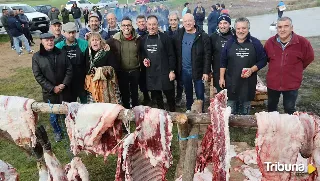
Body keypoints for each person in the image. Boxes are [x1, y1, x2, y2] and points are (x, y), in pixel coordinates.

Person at [264, 17, 314, 114]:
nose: (282, 29)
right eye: (279, 27)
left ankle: (290, 128)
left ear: (291, 28)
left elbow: (309, 58)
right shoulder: (270, 42)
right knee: (271, 108)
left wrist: (297, 69)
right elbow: (266, 58)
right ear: (277, 29)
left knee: (289, 108)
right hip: (273, 82)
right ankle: (273, 128)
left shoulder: (302, 42)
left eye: (286, 26)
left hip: (292, 83)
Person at [219, 17, 267, 115]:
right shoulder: (229, 43)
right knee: (231, 106)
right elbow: (223, 61)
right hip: (232, 81)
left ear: (248, 29)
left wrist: (252, 69)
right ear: (235, 29)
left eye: (244, 28)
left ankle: (244, 124)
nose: (241, 31)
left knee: (245, 105)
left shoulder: (255, 43)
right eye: (238, 28)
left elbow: (263, 60)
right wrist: (221, 78)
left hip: (248, 82)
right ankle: (231, 125)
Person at [32, 33, 72, 142]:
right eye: (47, 40)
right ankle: (57, 132)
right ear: (42, 42)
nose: (49, 42)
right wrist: (52, 88)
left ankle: (70, 130)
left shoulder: (62, 53)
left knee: (66, 113)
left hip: (64, 90)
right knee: (53, 116)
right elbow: (38, 76)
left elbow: (69, 69)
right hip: (49, 92)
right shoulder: (37, 57)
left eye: (51, 40)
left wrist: (63, 84)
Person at [174, 13, 211, 113]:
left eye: (189, 21)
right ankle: (189, 108)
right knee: (188, 91)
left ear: (194, 22)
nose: (187, 23)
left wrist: (206, 71)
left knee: (200, 92)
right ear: (183, 23)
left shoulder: (202, 36)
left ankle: (200, 111)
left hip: (198, 70)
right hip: (184, 70)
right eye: (185, 21)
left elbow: (207, 55)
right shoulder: (179, 34)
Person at [140, 15, 176, 112]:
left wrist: (172, 71)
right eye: (150, 24)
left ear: (157, 25)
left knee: (170, 96)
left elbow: (171, 55)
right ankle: (161, 113)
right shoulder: (143, 39)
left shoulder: (165, 38)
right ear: (146, 25)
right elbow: (143, 54)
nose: (151, 27)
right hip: (152, 73)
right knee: (157, 97)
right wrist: (144, 60)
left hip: (165, 72)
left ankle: (173, 113)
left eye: (154, 25)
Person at [106, 16, 141, 109]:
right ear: (121, 27)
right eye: (124, 25)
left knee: (135, 92)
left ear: (132, 26)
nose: (126, 27)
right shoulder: (114, 39)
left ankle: (135, 109)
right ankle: (126, 110)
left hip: (135, 70)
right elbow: (103, 44)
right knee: (124, 92)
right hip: (122, 71)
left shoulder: (138, 39)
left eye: (128, 25)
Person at [56, 22, 88, 103]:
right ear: (64, 32)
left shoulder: (83, 44)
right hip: (66, 80)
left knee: (84, 101)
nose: (71, 35)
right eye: (69, 33)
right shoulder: (59, 46)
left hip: (81, 78)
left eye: (73, 32)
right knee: (68, 102)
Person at [85, 32, 120, 103]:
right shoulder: (87, 53)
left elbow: (114, 67)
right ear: (90, 43)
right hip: (92, 84)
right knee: (94, 107)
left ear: (101, 41)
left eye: (97, 40)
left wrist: (101, 70)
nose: (95, 42)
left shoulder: (107, 52)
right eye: (92, 40)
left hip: (106, 85)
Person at [210, 14, 234, 93]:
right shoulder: (213, 37)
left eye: (225, 23)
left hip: (233, 71)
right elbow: (208, 55)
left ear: (229, 24)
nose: (222, 26)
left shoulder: (235, 36)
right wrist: (208, 70)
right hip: (218, 71)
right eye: (220, 23)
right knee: (221, 94)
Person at [166, 12, 183, 106]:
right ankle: (171, 98)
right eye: (171, 20)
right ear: (169, 21)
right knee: (170, 81)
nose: (173, 22)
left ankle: (179, 97)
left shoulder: (182, 32)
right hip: (170, 61)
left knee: (180, 82)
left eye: (175, 20)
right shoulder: (165, 34)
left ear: (178, 20)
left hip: (180, 61)